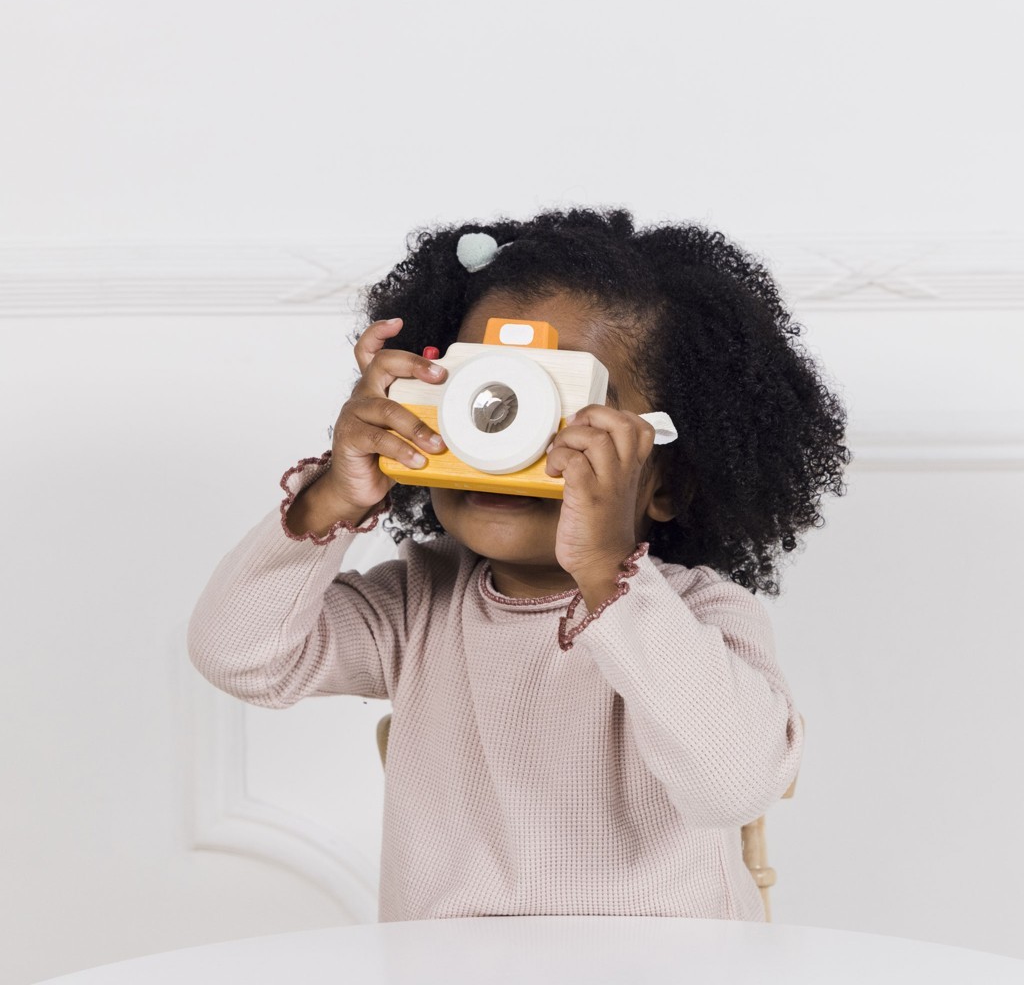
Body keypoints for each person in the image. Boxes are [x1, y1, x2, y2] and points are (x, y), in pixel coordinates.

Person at [188, 207, 851, 923]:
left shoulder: (697, 614)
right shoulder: (417, 607)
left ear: (665, 483)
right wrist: (332, 496)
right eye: (484, 398)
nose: (508, 437)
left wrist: (607, 571)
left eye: (567, 411)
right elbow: (239, 656)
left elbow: (735, 785)